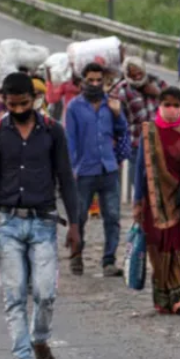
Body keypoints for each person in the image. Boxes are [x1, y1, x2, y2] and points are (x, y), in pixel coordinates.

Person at [0, 73, 81, 359]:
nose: (18, 108)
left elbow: (65, 177)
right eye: (12, 104)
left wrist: (75, 224)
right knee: (13, 296)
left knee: (44, 293)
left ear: (34, 100)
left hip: (43, 222)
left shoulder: (53, 131)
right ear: (4, 101)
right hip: (8, 223)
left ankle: (40, 339)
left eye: (23, 103)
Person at [133, 86, 180, 316]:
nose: (172, 110)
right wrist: (137, 201)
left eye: (176, 105)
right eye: (167, 105)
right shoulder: (150, 132)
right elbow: (140, 169)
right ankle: (169, 299)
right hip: (156, 203)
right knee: (162, 249)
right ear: (159, 106)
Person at [65, 61, 128, 277]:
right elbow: (70, 140)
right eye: (90, 80)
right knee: (79, 216)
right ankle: (76, 255)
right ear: (83, 81)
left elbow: (122, 131)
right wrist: (71, 169)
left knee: (112, 216)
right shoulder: (74, 107)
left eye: (98, 80)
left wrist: (118, 114)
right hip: (84, 171)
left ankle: (109, 260)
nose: (94, 84)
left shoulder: (111, 104)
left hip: (108, 168)